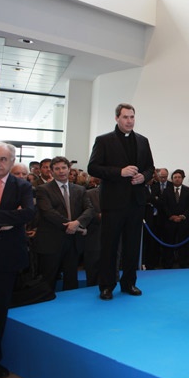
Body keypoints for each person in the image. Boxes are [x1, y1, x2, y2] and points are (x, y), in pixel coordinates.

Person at [87, 103, 155, 301]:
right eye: (125, 117)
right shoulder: (104, 140)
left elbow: (150, 167)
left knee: (132, 245)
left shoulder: (143, 141)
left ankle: (129, 283)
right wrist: (120, 172)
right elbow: (93, 167)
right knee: (109, 246)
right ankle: (106, 285)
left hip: (136, 202)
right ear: (117, 118)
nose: (129, 121)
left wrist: (143, 177)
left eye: (132, 117)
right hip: (113, 202)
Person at [0, 142, 35, 378]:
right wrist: (8, 218)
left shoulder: (22, 185)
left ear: (12, 161)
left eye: (3, 159)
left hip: (7, 259)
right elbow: (18, 215)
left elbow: (28, 213)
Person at [34, 157, 94, 291]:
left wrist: (78, 223)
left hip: (73, 241)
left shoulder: (80, 189)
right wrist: (73, 226)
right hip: (51, 240)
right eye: (57, 169)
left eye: (63, 168)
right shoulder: (43, 189)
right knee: (48, 278)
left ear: (69, 169)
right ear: (51, 171)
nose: (61, 171)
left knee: (71, 279)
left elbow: (90, 209)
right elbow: (48, 212)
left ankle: (71, 303)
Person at [161, 169, 189, 269]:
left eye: (179, 177)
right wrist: (171, 216)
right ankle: (168, 264)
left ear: (182, 179)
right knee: (168, 243)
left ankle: (183, 263)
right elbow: (164, 206)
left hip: (183, 222)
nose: (177, 179)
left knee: (184, 243)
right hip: (170, 222)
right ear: (172, 179)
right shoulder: (166, 191)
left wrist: (183, 216)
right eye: (175, 177)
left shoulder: (188, 191)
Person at [84, 179, 102, 287]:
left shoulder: (120, 195)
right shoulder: (89, 194)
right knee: (93, 265)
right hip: (93, 235)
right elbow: (85, 212)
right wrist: (99, 216)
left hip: (114, 237)